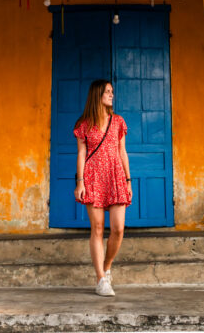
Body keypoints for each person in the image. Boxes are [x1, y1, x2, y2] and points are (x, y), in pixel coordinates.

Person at [73, 79, 132, 297]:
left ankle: (106, 267)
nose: (111, 95)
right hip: (93, 177)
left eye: (112, 91)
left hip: (116, 176)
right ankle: (100, 280)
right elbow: (81, 154)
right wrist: (80, 182)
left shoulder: (118, 121)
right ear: (97, 95)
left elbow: (122, 152)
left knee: (118, 229)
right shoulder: (84, 124)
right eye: (107, 92)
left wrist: (128, 180)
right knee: (97, 228)